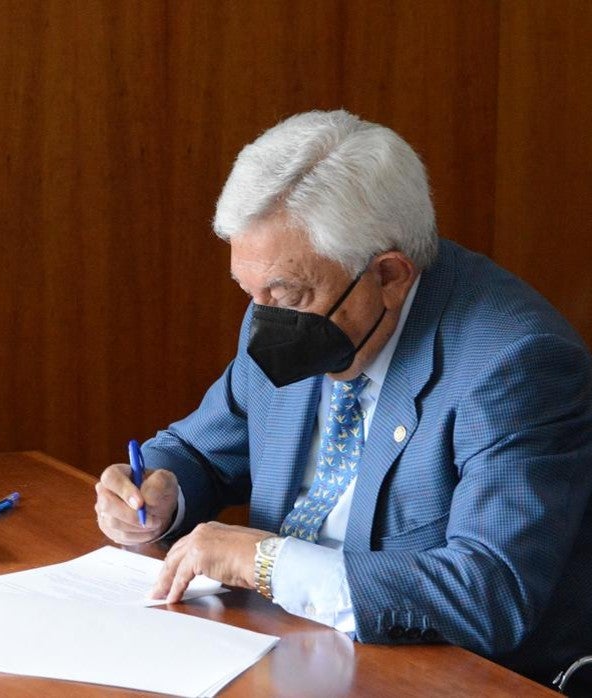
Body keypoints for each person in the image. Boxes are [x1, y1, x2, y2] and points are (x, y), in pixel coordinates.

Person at [94, 109, 592, 688]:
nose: (263, 318)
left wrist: (267, 565)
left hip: (444, 674)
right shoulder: (289, 304)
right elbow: (201, 450)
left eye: (286, 294)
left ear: (390, 275)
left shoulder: (516, 365)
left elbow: (488, 592)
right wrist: (159, 493)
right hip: (286, 653)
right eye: (251, 293)